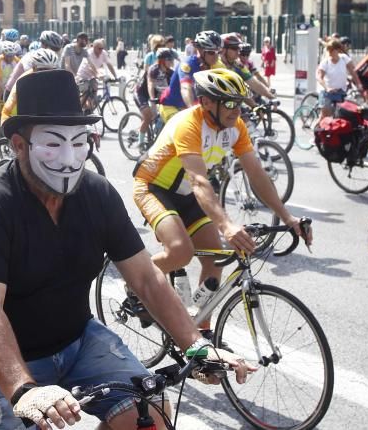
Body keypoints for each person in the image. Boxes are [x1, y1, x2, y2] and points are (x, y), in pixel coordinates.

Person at [0, 69, 252, 429]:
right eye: (53, 144)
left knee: (148, 414)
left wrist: (196, 345)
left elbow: (147, 279)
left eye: (78, 142)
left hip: (75, 337)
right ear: (18, 145)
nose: (69, 159)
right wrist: (23, 389)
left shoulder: (98, 194)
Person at [133, 69, 311, 332]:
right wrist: (227, 225)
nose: (236, 110)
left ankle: (201, 332)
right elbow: (199, 182)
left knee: (215, 259)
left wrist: (287, 217)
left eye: (239, 103)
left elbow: (257, 175)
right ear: (206, 102)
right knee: (181, 252)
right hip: (153, 187)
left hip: (188, 195)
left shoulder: (235, 127)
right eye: (228, 103)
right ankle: (134, 280)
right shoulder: (189, 123)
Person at [158, 30, 223, 123]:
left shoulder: (216, 64)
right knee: (183, 132)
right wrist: (192, 109)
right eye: (211, 52)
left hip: (194, 105)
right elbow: (185, 88)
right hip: (171, 106)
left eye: (219, 52)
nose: (216, 56)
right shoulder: (188, 65)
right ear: (200, 50)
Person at [316, 39, 362, 118]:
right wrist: (327, 88)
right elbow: (319, 77)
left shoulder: (344, 58)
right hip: (327, 93)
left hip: (341, 92)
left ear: (337, 50)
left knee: (342, 115)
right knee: (325, 116)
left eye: (332, 50)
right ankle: (317, 128)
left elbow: (353, 72)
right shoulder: (326, 62)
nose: (329, 53)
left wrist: (358, 84)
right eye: (328, 50)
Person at [74, 38, 118, 112]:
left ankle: (89, 109)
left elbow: (109, 64)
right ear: (94, 47)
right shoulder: (89, 53)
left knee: (94, 92)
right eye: (99, 48)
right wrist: (98, 75)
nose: (101, 50)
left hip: (92, 76)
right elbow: (90, 67)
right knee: (86, 91)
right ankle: (78, 109)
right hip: (83, 76)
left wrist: (115, 76)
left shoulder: (103, 53)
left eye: (102, 48)